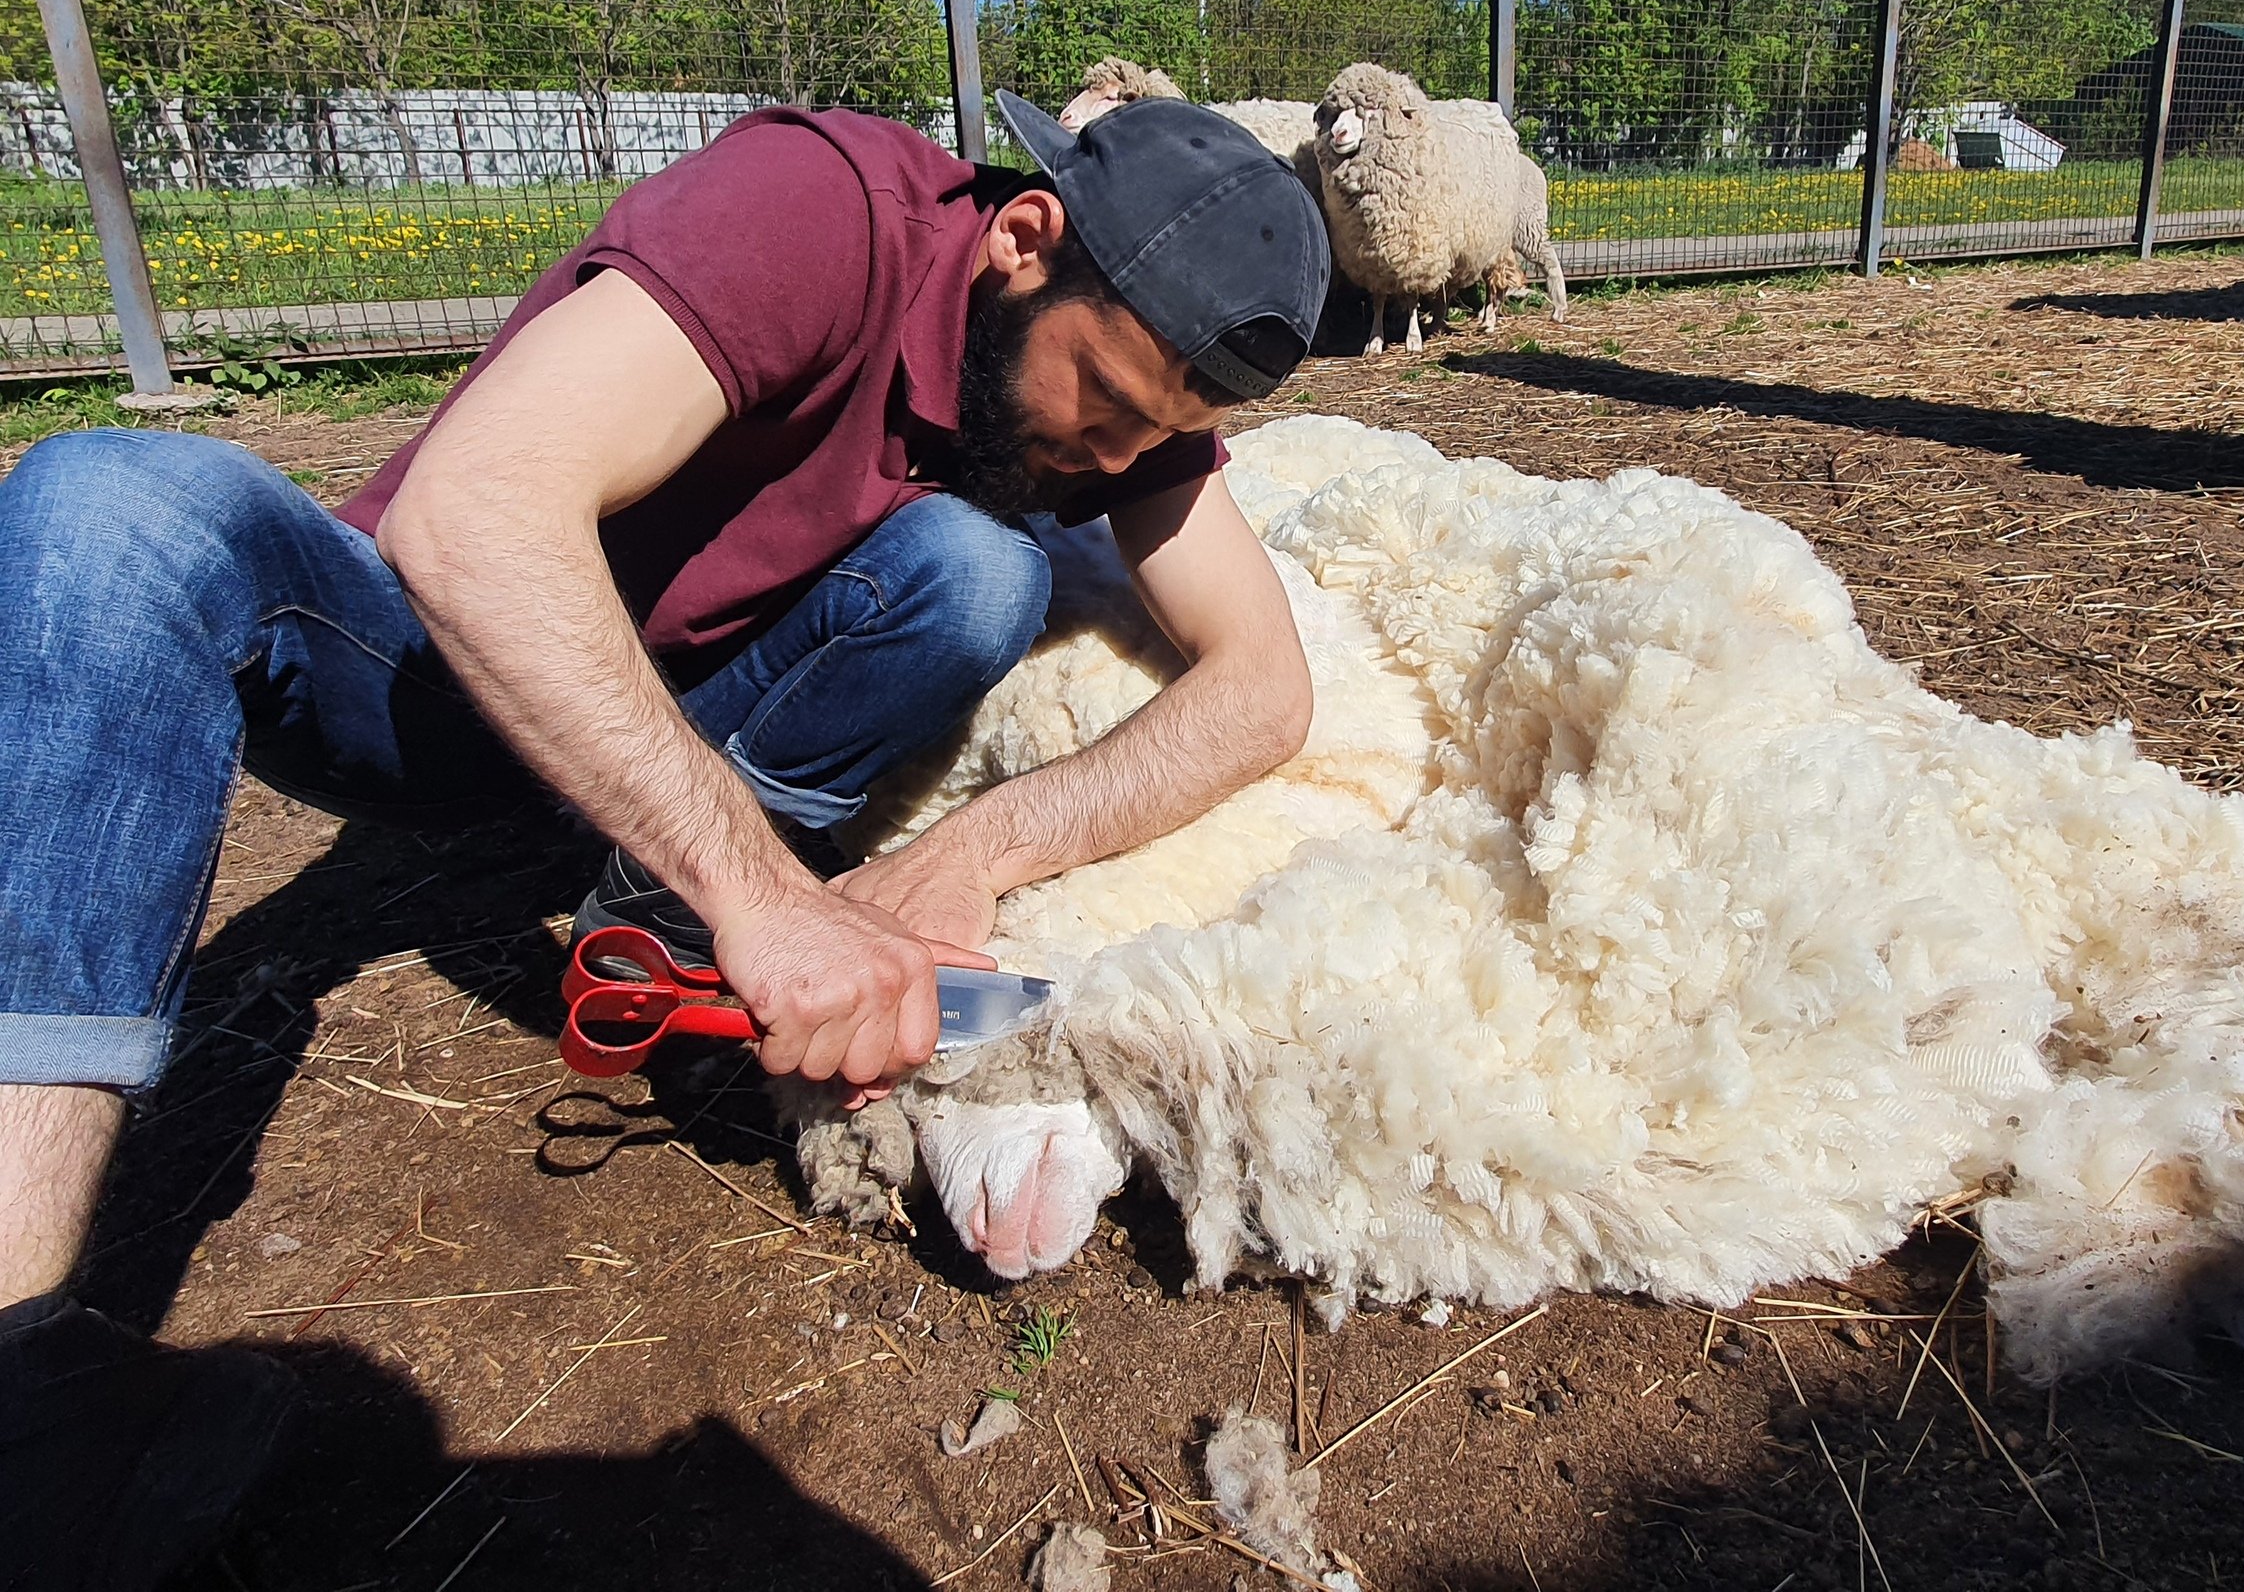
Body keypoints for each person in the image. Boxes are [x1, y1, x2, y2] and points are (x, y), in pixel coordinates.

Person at [0, 90, 1328, 1583]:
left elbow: (1264, 690)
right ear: (1026, 240)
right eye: (1109, 401)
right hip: (445, 675)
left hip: (700, 716)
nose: (1114, 462)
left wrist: (970, 855)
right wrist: (770, 897)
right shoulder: (813, 209)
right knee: (109, 509)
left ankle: (648, 896)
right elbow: (474, 525)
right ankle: (22, 1374)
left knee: (978, 568)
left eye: (1165, 434)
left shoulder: (1120, 386)